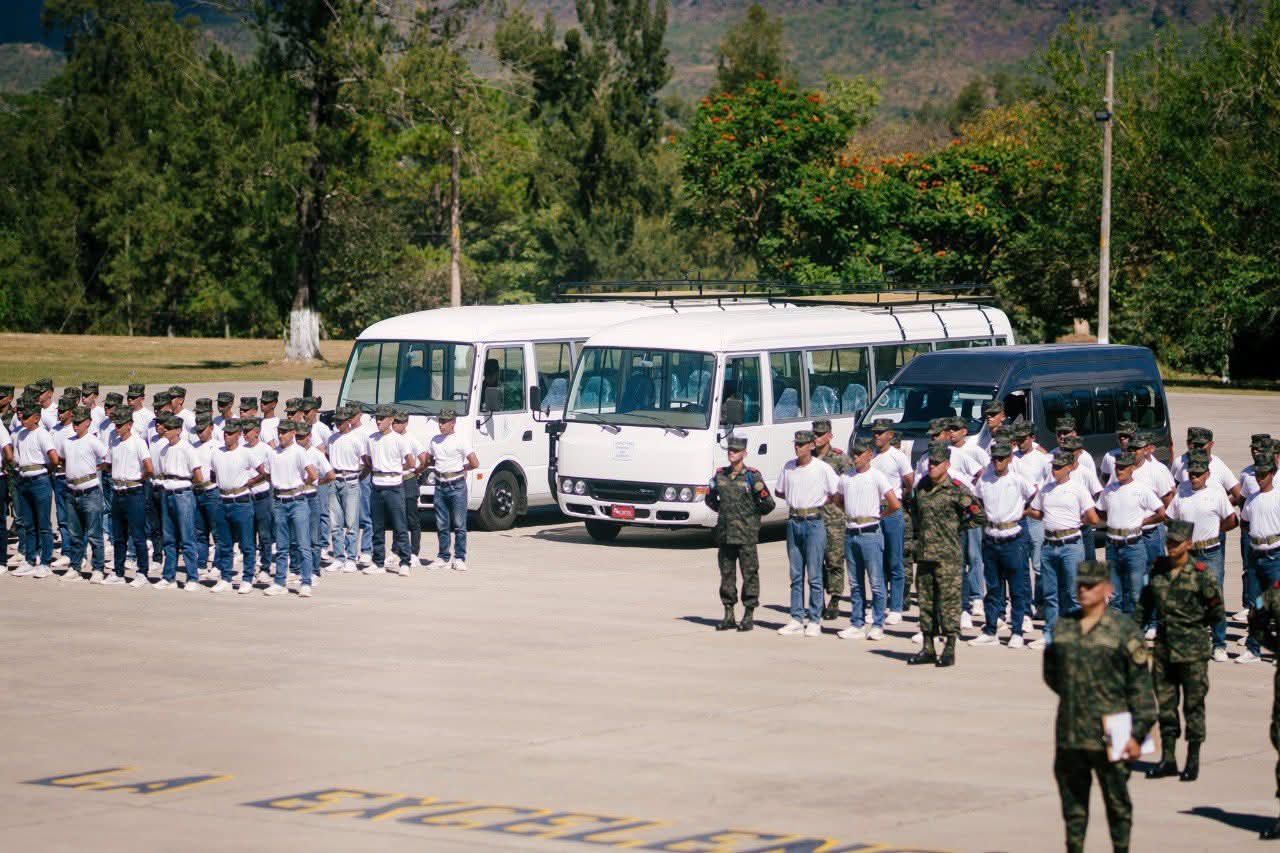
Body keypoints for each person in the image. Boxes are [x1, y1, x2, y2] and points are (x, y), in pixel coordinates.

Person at [1044, 559, 1157, 853]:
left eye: (1091, 585)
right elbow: (1052, 674)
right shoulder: (1063, 626)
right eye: (1080, 584)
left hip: (1113, 733)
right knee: (1073, 810)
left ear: (1107, 589)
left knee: (1117, 806)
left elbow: (1141, 688)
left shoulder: (1124, 630)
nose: (1083, 591)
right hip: (1071, 734)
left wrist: (1138, 733)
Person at [1139, 519, 1223, 782]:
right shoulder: (1158, 570)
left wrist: (1193, 627)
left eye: (1176, 543)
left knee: (1193, 707)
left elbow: (1217, 612)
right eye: (1169, 542)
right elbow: (1145, 606)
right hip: (1164, 649)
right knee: (1165, 706)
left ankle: (1193, 760)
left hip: (1192, 651)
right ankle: (1168, 759)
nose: (1171, 547)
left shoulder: (1201, 574)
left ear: (1189, 544)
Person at [908, 441, 986, 667]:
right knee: (926, 602)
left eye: (936, 463)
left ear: (947, 464)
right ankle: (928, 647)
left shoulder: (957, 489)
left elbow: (978, 516)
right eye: (930, 462)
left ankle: (950, 647)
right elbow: (914, 511)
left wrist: (958, 528)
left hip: (948, 556)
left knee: (949, 603)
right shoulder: (921, 487)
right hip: (924, 555)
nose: (931, 466)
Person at [1167, 449, 1238, 662]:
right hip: (1188, 554)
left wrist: (1216, 531)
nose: (1194, 477)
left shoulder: (1216, 492)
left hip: (1210, 552)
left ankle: (1219, 644)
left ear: (1207, 473)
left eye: (1198, 474)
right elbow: (1170, 518)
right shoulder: (1182, 492)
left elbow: (1231, 520)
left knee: (1214, 599)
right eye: (1191, 473)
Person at [1028, 450, 1102, 649]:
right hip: (1049, 544)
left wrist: (1076, 522)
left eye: (1059, 467)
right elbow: (1036, 510)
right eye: (1053, 466)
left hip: (1070, 544)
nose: (1055, 470)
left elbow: (1094, 518)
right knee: (1051, 593)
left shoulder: (1077, 489)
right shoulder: (1046, 488)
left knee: (1073, 593)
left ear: (1069, 467)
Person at [971, 440, 1037, 649]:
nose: (997, 462)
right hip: (991, 536)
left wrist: (1022, 511)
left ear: (1009, 459)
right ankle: (991, 629)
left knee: (1017, 587)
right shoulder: (985, 480)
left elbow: (1035, 495)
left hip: (1013, 538)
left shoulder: (1017, 480)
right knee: (993, 587)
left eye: (1001, 458)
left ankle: (1016, 630)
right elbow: (977, 498)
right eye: (994, 458)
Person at [705, 435, 775, 632]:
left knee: (749, 574)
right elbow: (710, 499)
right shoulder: (720, 475)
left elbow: (768, 503)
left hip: (746, 536)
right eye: (729, 450)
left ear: (744, 453)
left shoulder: (752, 476)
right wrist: (723, 512)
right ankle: (728, 614)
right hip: (726, 534)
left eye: (735, 451)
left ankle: (749, 614)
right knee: (727, 575)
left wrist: (752, 518)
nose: (731, 453)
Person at [775, 429, 840, 637]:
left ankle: (814, 618)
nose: (798, 447)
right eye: (796, 444)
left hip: (814, 522)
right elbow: (780, 490)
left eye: (802, 444)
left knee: (814, 574)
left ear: (811, 446)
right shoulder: (789, 467)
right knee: (795, 574)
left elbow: (836, 491)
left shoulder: (822, 468)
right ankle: (796, 617)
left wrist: (819, 502)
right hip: (794, 521)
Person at [834, 436, 899, 641]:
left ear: (869, 455)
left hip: (870, 531)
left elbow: (894, 503)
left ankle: (878, 623)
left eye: (860, 454)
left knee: (876, 582)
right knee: (855, 583)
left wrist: (881, 515)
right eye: (854, 454)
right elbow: (837, 499)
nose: (856, 458)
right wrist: (850, 513)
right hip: (852, 531)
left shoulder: (877, 476)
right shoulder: (846, 477)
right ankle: (857, 622)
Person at [1098, 451, 1166, 617]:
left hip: (1133, 545)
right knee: (1114, 594)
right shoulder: (1109, 490)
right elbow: (1100, 511)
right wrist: (1112, 520)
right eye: (1117, 468)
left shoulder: (1141, 490)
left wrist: (1144, 522)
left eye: (1123, 468)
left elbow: (1161, 512)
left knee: (1136, 592)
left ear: (1132, 468)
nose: (1119, 471)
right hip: (1113, 544)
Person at [208, 418, 263, 594]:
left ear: (239, 435)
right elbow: (212, 474)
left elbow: (264, 472)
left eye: (231, 433)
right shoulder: (217, 453)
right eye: (225, 433)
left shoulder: (245, 453)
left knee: (247, 543)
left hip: (241, 501)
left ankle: (247, 577)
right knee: (224, 543)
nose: (226, 436)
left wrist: (249, 482)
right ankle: (225, 577)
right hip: (222, 500)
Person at [263, 419, 317, 596]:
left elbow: (313, 474)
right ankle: (280, 581)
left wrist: (301, 486)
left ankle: (306, 581)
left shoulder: (299, 452)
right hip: (279, 500)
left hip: (297, 500)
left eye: (284, 432)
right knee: (281, 545)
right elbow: (267, 473)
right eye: (279, 432)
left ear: (293, 433)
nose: (280, 436)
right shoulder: (273, 453)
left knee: (303, 544)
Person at [944, 416, 987, 629]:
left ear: (964, 431)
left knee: (974, 554)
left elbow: (983, 472)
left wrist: (972, 490)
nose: (952, 433)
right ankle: (963, 597)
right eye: (950, 429)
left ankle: (978, 595)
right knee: (959, 556)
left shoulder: (973, 451)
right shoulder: (947, 452)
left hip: (970, 508)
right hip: (954, 512)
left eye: (956, 429)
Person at [425, 407, 479, 572]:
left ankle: (459, 557)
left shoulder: (460, 440)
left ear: (453, 423)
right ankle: (443, 556)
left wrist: (463, 468)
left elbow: (475, 462)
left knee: (459, 524)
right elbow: (429, 459)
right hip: (440, 484)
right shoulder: (435, 440)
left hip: (456, 485)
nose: (441, 425)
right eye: (440, 422)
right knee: (441, 524)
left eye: (444, 422)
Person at [58, 407, 108, 583]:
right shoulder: (67, 442)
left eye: (79, 422)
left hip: (90, 492)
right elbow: (62, 459)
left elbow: (106, 457)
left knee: (95, 534)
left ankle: (98, 568)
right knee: (75, 533)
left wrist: (97, 469)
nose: (75, 426)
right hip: (72, 491)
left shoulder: (92, 441)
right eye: (74, 422)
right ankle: (75, 566)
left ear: (88, 422)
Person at [870, 418, 913, 623]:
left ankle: (895, 607)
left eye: (881, 432)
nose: (877, 436)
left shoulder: (898, 457)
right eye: (875, 432)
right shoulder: (871, 457)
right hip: (874, 511)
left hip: (892, 511)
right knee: (877, 562)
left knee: (895, 560)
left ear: (890, 435)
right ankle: (878, 604)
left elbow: (909, 481)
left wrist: (899, 497)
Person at [105, 410, 153, 587]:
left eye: (120, 425)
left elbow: (149, 467)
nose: (116, 428)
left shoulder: (138, 443)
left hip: (134, 492)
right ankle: (118, 572)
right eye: (115, 425)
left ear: (129, 425)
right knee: (119, 536)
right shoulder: (114, 443)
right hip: (117, 491)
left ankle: (142, 572)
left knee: (138, 535)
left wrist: (137, 478)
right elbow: (109, 465)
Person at [367, 405, 416, 574]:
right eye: (377, 418)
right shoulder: (371, 439)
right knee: (377, 526)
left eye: (382, 418)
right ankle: (378, 561)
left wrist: (396, 469)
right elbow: (367, 459)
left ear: (391, 420)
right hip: (377, 484)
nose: (378, 421)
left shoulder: (399, 440)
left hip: (394, 485)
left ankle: (405, 561)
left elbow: (411, 462)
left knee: (400, 525)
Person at [11, 402, 58, 576]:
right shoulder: (20, 435)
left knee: (43, 524)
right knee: (29, 524)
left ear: (37, 418)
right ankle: (30, 559)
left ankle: (45, 562)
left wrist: (47, 472)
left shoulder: (42, 434)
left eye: (27, 416)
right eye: (22, 416)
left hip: (39, 480)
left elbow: (53, 458)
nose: (22, 419)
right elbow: (16, 457)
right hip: (24, 480)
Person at [812, 418, 853, 621]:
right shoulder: (808, 458)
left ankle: (835, 598)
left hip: (834, 517)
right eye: (815, 434)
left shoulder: (840, 459)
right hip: (814, 516)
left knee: (835, 560)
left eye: (821, 434)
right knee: (816, 561)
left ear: (830, 435)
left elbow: (851, 485)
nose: (816, 438)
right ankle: (818, 600)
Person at [156, 415, 202, 591]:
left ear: (178, 430)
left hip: (183, 493)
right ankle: (169, 577)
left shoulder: (187, 449)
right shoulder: (163, 450)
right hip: (167, 492)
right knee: (169, 538)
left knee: (187, 538)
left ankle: (192, 578)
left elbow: (198, 475)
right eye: (164, 427)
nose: (165, 430)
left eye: (169, 428)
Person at [1241, 453, 1280, 665]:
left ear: (1272, 474)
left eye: (1264, 474)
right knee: (1255, 606)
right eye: (1257, 474)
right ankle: (1252, 649)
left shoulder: (1278, 498)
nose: (1259, 478)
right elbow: (1245, 521)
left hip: (1275, 555)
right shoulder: (1251, 499)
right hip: (1256, 556)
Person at [190, 413, 230, 589]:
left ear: (212, 428)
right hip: (197, 490)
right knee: (200, 531)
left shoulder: (218, 447)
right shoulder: (194, 447)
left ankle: (218, 564)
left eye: (203, 429)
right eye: (197, 430)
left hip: (212, 491)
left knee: (217, 531)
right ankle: (201, 562)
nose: (200, 433)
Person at [327, 406, 368, 573]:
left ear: (348, 422)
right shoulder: (332, 439)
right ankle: (338, 556)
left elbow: (366, 463)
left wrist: (359, 478)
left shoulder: (355, 439)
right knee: (335, 523)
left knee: (351, 522)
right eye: (336, 421)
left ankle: (351, 557)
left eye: (341, 421)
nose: (338, 424)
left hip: (350, 481)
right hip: (334, 480)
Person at [297, 421, 333, 582]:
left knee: (313, 536)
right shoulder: (292, 452)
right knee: (296, 536)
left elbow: (331, 474)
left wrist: (318, 482)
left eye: (302, 437)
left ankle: (315, 570)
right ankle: (298, 568)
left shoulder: (316, 453)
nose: (299, 439)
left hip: (311, 497)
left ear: (309, 437)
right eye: (297, 436)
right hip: (296, 497)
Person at [242, 416, 274, 584]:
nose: (244, 434)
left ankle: (265, 567)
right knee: (248, 535)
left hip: (262, 496)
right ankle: (250, 566)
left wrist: (253, 481)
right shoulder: (242, 449)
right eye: (243, 431)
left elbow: (268, 474)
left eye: (247, 431)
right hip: (246, 497)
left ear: (257, 432)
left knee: (264, 534)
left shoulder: (266, 450)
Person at [393, 410, 427, 570]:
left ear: (406, 423)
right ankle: (396, 551)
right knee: (396, 518)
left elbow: (424, 459)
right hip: (393, 481)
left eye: (399, 422)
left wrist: (417, 472)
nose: (395, 424)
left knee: (412, 519)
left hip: (408, 481)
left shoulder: (411, 439)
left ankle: (414, 553)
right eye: (394, 422)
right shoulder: (390, 438)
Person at [1099, 422, 1138, 486]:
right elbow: (1105, 476)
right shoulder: (1109, 456)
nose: (1121, 438)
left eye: (1125, 436)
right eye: (1120, 436)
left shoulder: (1140, 457)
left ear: (1133, 437)